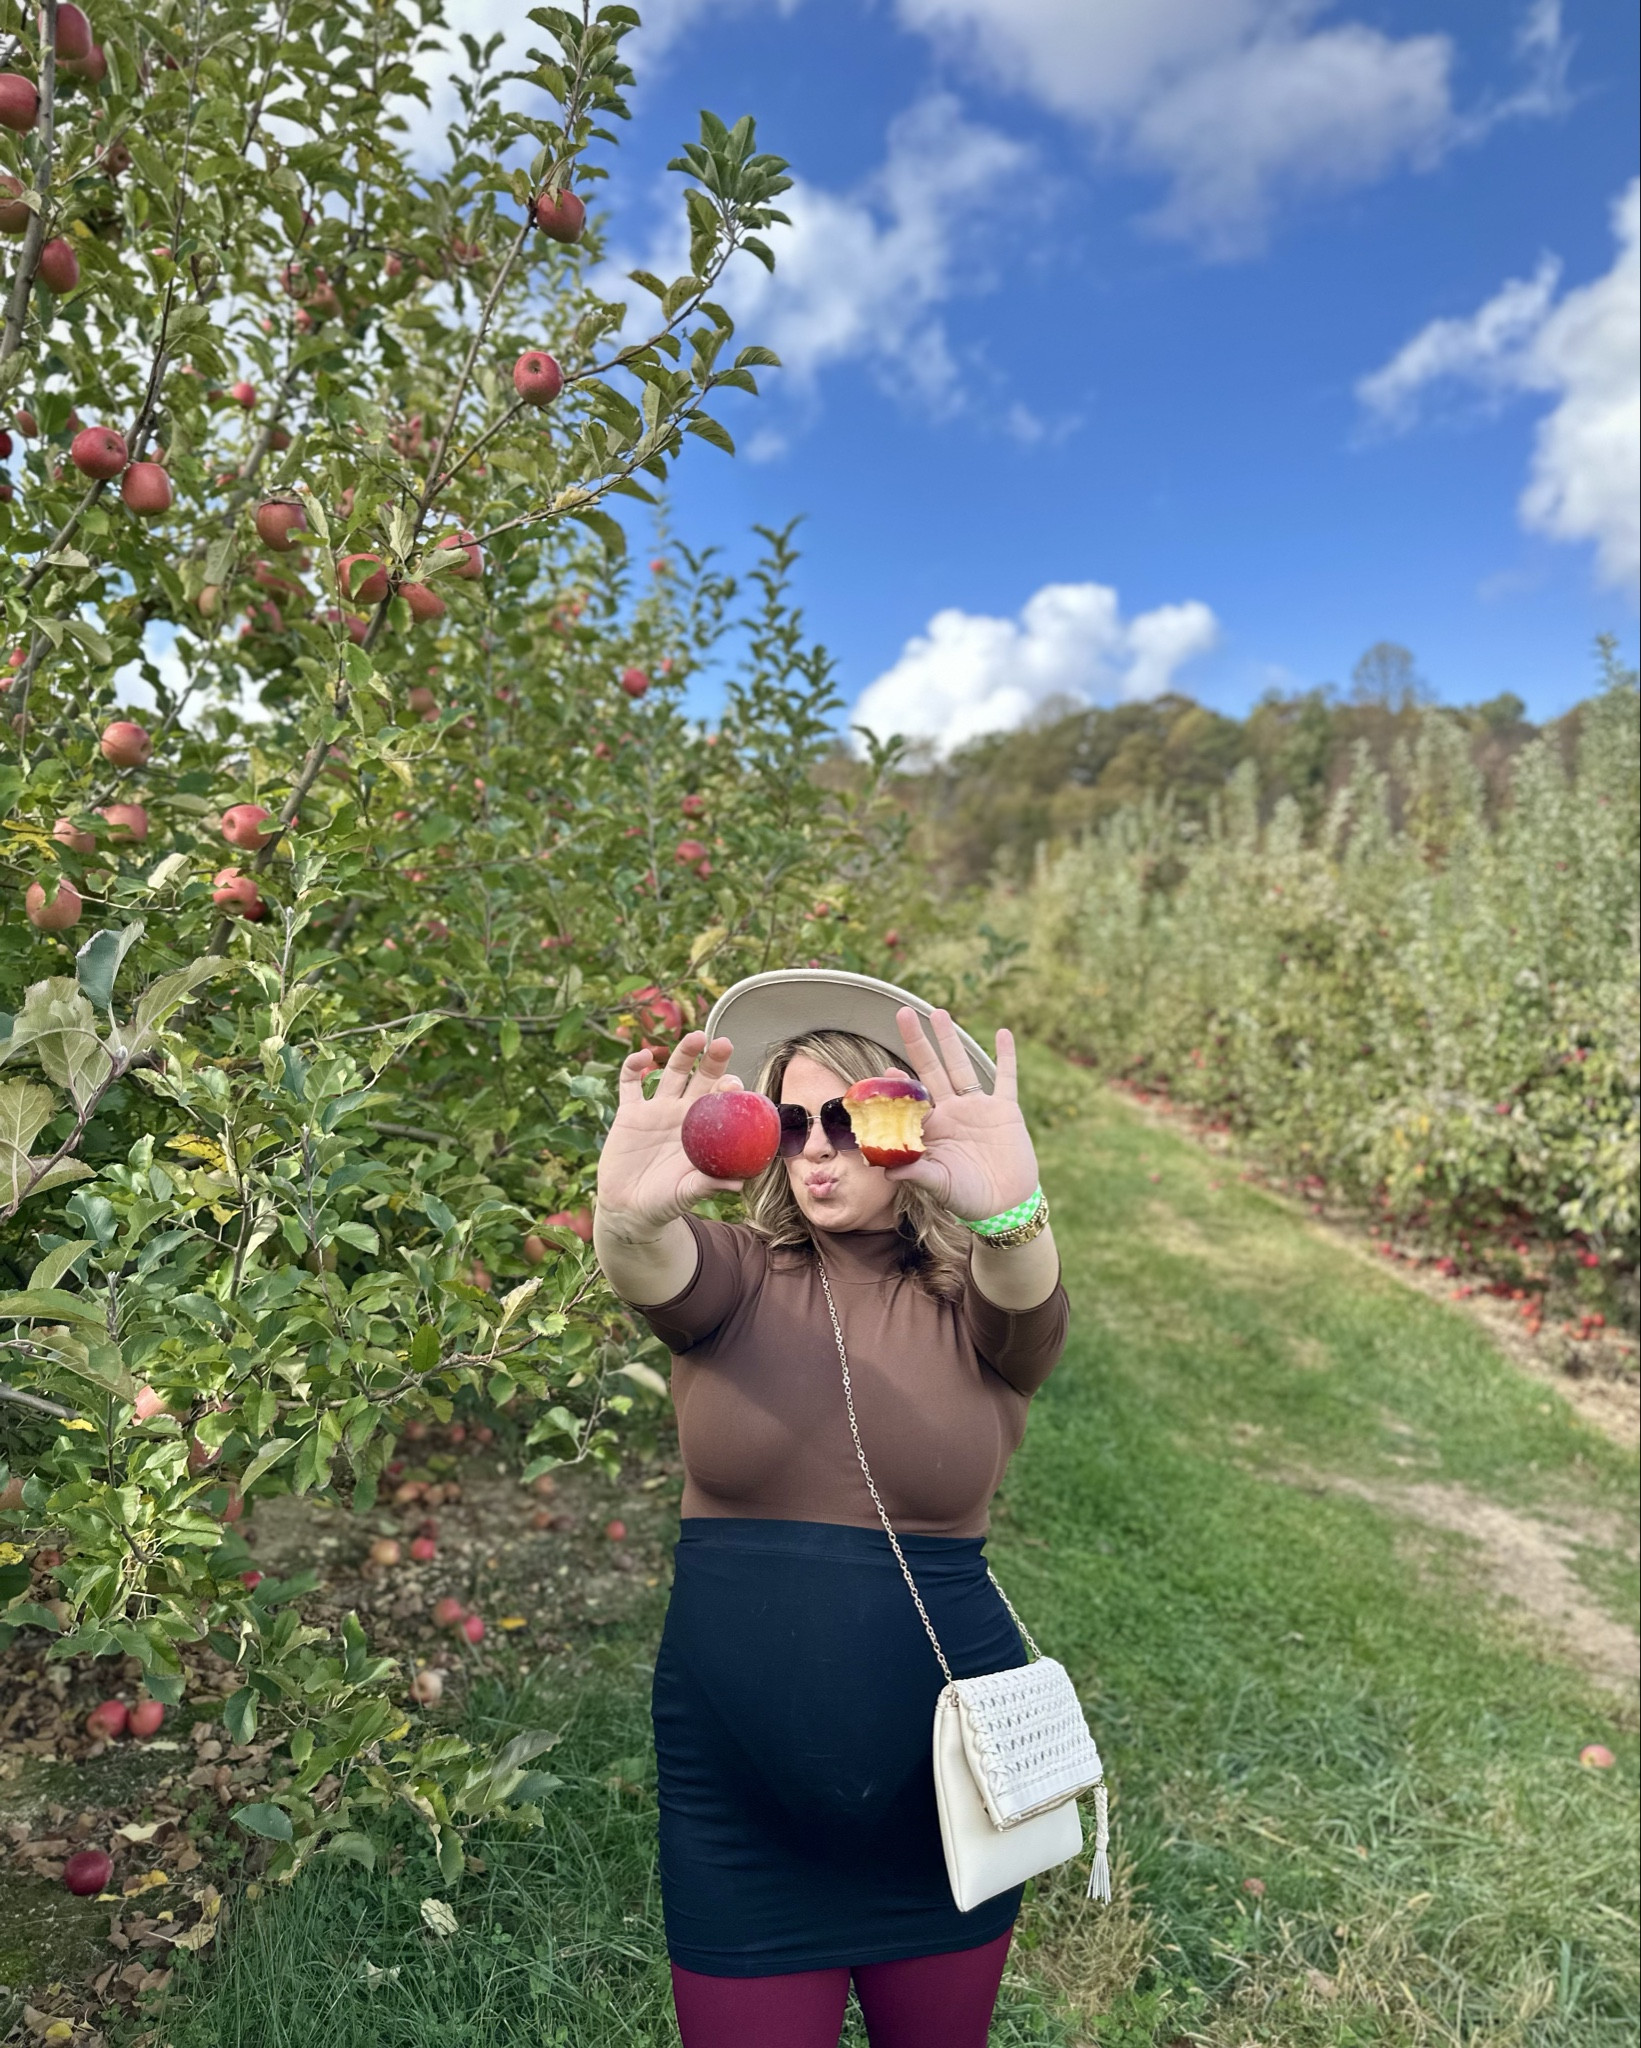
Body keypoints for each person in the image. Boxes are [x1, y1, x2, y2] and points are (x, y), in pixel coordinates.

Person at [593, 969, 1070, 2048]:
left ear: (906, 1132)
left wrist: (1010, 1206)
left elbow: (1025, 1287)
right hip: (740, 1808)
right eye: (794, 1119)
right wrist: (621, 1215)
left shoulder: (977, 1310)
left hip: (939, 1802)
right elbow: (648, 1261)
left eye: (854, 1119)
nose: (818, 1145)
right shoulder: (738, 1277)